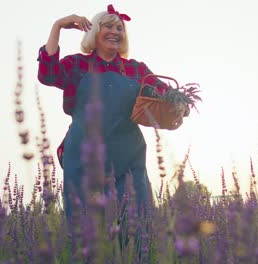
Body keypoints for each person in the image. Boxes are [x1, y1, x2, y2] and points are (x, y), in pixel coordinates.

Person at [37, 5, 186, 222]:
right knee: (87, 231)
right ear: (94, 31)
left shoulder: (137, 70)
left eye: (119, 28)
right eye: (108, 26)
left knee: (138, 226)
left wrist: (180, 103)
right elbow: (47, 75)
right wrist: (58, 26)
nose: (115, 32)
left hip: (128, 159)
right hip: (83, 159)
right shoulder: (77, 64)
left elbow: (166, 94)